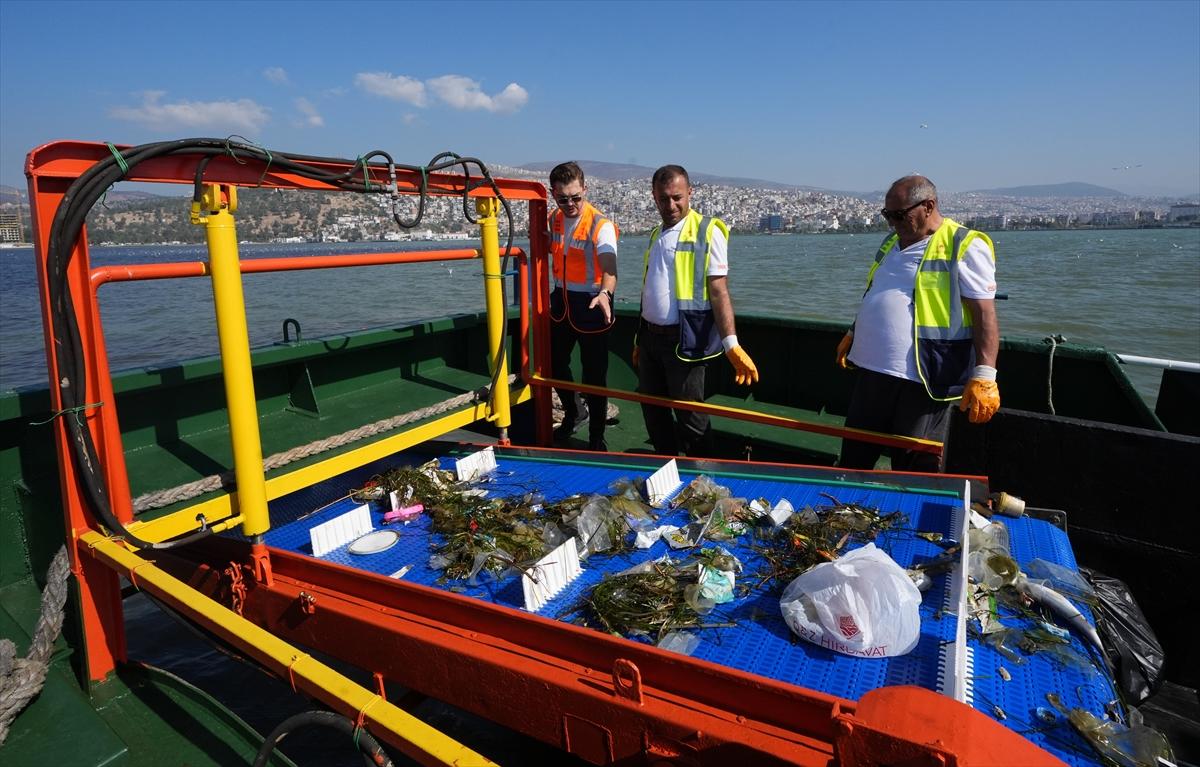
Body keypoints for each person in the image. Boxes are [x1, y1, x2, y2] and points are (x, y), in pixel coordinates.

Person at [836, 174, 1000, 472]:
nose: (892, 222)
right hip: (871, 373)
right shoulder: (891, 243)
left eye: (899, 215)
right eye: (887, 215)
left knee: (913, 466)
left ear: (928, 206)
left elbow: (984, 314)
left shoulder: (963, 244)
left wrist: (985, 374)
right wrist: (853, 331)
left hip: (921, 378)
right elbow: (878, 290)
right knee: (853, 459)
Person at [634, 165, 758, 456]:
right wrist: (639, 341)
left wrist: (732, 344)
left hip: (685, 341)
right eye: (664, 198)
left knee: (691, 416)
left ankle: (706, 477)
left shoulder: (707, 230)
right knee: (653, 412)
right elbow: (649, 288)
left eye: (677, 197)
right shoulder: (656, 235)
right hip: (651, 339)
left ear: (690, 193)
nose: (671, 205)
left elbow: (719, 290)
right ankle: (666, 468)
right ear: (654, 197)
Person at [547, 161, 618, 451]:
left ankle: (596, 438)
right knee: (554, 364)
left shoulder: (600, 225)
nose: (570, 204)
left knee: (594, 375)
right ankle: (574, 411)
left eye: (576, 197)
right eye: (563, 198)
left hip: (592, 304)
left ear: (585, 189)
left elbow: (609, 265)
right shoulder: (554, 219)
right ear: (554, 195)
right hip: (560, 301)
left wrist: (606, 292)